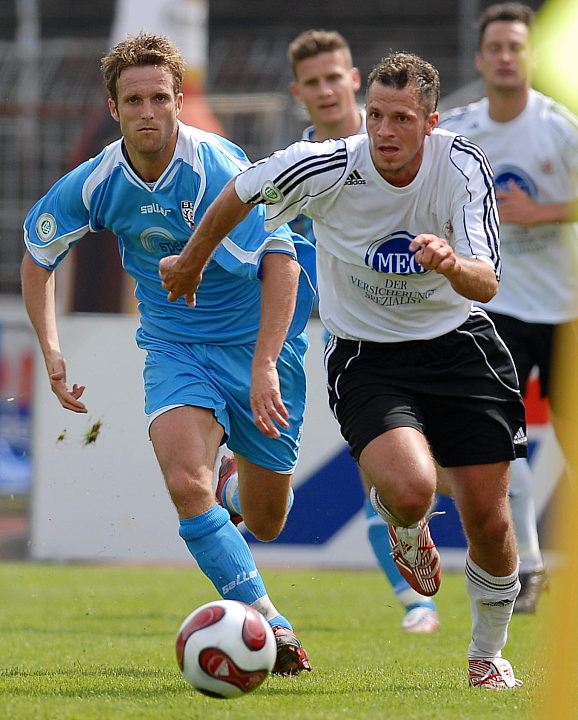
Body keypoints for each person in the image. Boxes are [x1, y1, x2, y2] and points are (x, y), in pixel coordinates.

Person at [160, 50, 527, 689]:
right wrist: (192, 259)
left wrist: (449, 263)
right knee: (410, 491)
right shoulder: (327, 165)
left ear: (431, 122)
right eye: (376, 115)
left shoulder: (461, 164)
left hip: (460, 345)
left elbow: (487, 281)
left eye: (402, 118)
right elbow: (241, 190)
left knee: (490, 520)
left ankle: (487, 656)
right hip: (368, 357)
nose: (384, 130)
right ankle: (402, 522)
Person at [20, 32, 314, 676]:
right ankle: (271, 624)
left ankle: (235, 485)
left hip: (256, 345)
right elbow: (38, 257)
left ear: (180, 100)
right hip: (175, 346)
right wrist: (52, 351)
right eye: (134, 101)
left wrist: (266, 362)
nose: (148, 111)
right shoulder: (100, 180)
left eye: (160, 98)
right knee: (185, 483)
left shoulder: (218, 168)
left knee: (268, 520)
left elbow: (283, 262)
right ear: (114, 108)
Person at [285, 27, 440, 634]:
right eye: (313, 82)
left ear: (353, 79)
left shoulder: (399, 142)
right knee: (378, 470)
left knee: (454, 468)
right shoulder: (296, 168)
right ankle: (417, 602)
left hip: (432, 327)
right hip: (352, 337)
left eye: (334, 77)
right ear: (298, 93)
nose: (326, 91)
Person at [439, 2, 578, 613]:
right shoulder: (460, 131)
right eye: (494, 47)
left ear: (531, 56)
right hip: (496, 307)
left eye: (514, 47)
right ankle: (528, 568)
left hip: (567, 308)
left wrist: (543, 212)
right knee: (498, 440)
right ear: (479, 58)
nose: (504, 57)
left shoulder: (560, 127)